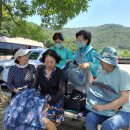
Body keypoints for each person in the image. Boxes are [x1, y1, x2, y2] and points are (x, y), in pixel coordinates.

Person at [3, 49, 65, 130]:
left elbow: (62, 91)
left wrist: (49, 104)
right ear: (44, 61)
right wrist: (27, 96)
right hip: (40, 97)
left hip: (55, 99)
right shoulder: (40, 71)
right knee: (28, 114)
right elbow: (35, 86)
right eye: (47, 62)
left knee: (44, 118)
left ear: (56, 61)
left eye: (52, 62)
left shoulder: (59, 72)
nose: (49, 64)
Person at [85, 46, 130, 130]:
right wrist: (88, 71)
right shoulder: (102, 74)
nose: (100, 62)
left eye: (101, 60)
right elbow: (94, 87)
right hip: (106, 110)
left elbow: (125, 98)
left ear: (108, 62)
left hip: (123, 111)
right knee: (89, 117)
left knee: (108, 125)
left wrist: (102, 107)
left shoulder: (123, 74)